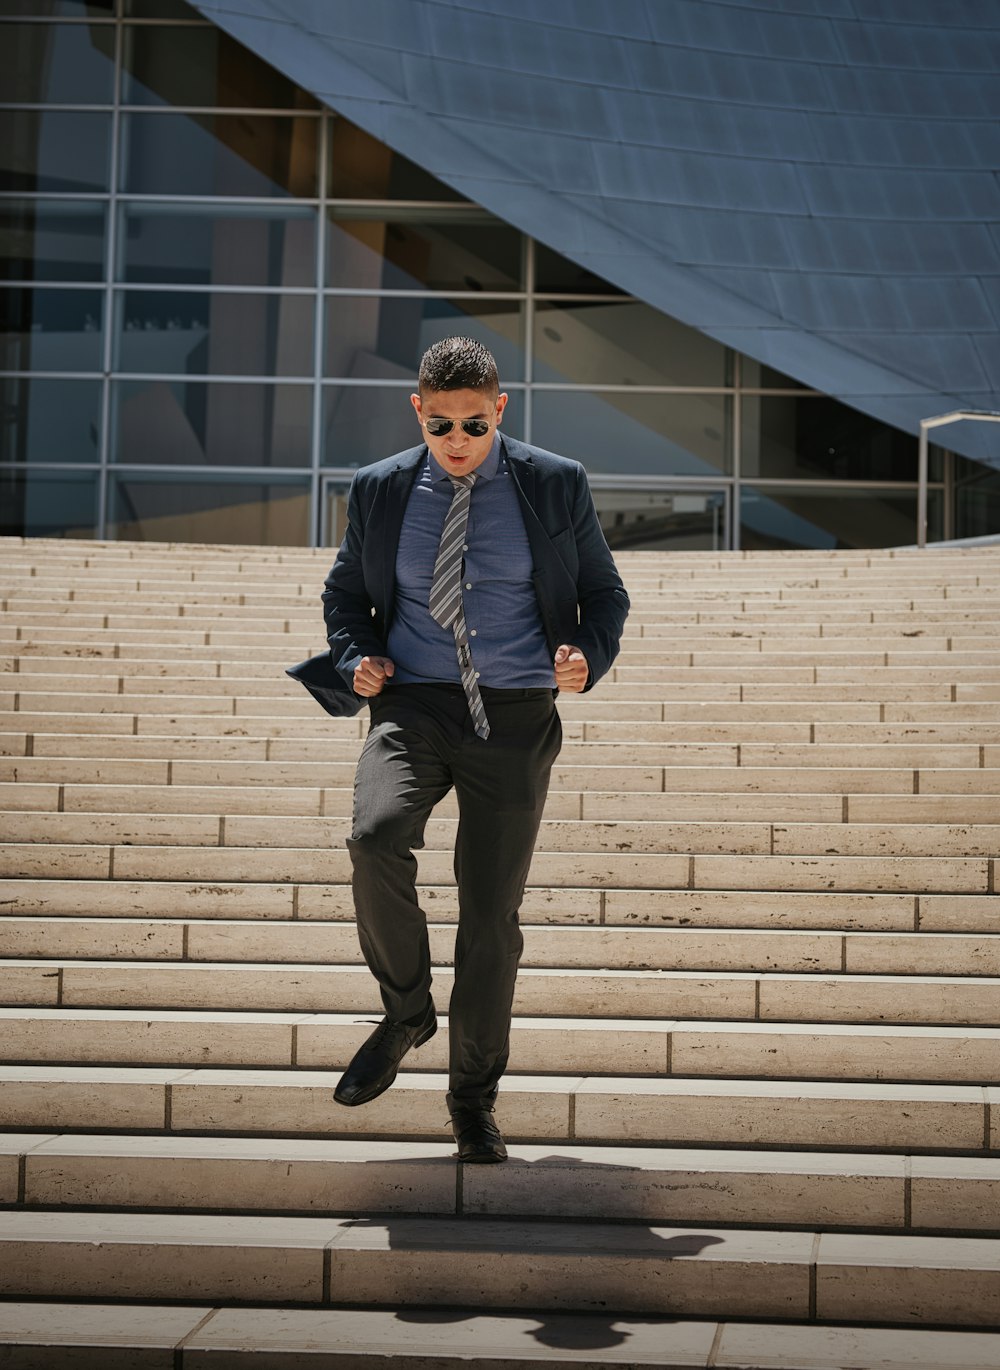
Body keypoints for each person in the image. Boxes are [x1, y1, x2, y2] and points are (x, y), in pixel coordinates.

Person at [289, 336, 629, 1163]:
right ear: (419, 411)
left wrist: (588, 652)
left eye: (474, 424)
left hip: (514, 717)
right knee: (374, 837)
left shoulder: (553, 483)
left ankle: (472, 1100)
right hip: (414, 706)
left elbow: (602, 591)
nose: (458, 440)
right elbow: (345, 596)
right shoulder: (380, 489)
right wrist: (354, 656)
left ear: (500, 409)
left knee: (489, 921)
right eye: (440, 425)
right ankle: (406, 1012)